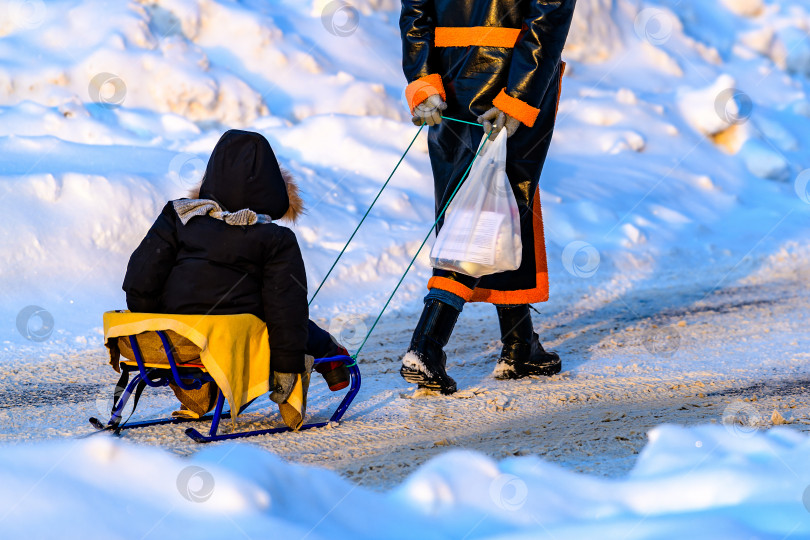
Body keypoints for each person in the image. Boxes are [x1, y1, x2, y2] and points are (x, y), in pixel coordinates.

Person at [400, 0, 577, 393]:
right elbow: (548, 18)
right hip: (508, 77)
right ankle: (426, 345)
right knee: (487, 211)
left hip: (447, 81)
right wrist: (518, 95)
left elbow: (416, 10)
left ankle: (519, 344)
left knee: (492, 207)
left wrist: (423, 80)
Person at [122, 129, 349, 408]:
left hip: (177, 330)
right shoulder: (275, 239)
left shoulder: (179, 216)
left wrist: (154, 319)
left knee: (273, 319)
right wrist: (287, 366)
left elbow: (141, 275)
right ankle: (332, 356)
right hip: (234, 333)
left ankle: (199, 388)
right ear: (271, 188)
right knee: (282, 321)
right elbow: (285, 308)